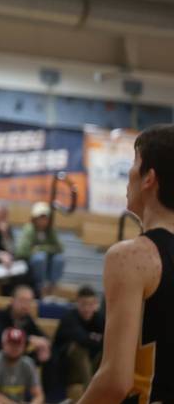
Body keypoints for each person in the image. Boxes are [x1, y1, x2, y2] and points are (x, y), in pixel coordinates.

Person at [79, 124, 174, 404]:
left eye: (135, 163)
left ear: (149, 178)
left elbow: (115, 381)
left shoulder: (132, 257)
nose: (128, 174)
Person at [0, 285, 50, 369]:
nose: (25, 305)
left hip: (16, 369)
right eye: (22, 300)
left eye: (29, 301)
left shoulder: (28, 320)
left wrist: (44, 345)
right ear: (12, 301)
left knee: (47, 352)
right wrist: (29, 339)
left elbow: (43, 337)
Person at [52, 285, 104, 400]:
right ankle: (89, 395)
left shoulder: (99, 318)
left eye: (90, 304)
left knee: (109, 349)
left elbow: (108, 340)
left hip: (92, 366)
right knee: (78, 348)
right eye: (83, 304)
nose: (87, 308)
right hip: (66, 370)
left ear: (96, 304)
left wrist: (92, 339)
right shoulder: (69, 318)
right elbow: (82, 340)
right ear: (77, 303)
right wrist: (96, 339)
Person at [0, 328, 44, 404]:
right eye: (11, 344)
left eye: (18, 344)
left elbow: (39, 395)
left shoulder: (28, 364)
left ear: (24, 346)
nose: (14, 348)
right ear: (3, 344)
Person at [16, 202, 65, 298]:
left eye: (45, 218)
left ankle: (52, 287)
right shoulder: (29, 229)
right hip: (31, 263)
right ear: (34, 218)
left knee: (59, 259)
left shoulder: (51, 231)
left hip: (48, 263)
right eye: (40, 217)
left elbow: (60, 248)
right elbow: (22, 251)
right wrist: (41, 251)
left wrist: (41, 248)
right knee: (40, 258)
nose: (43, 221)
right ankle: (40, 287)